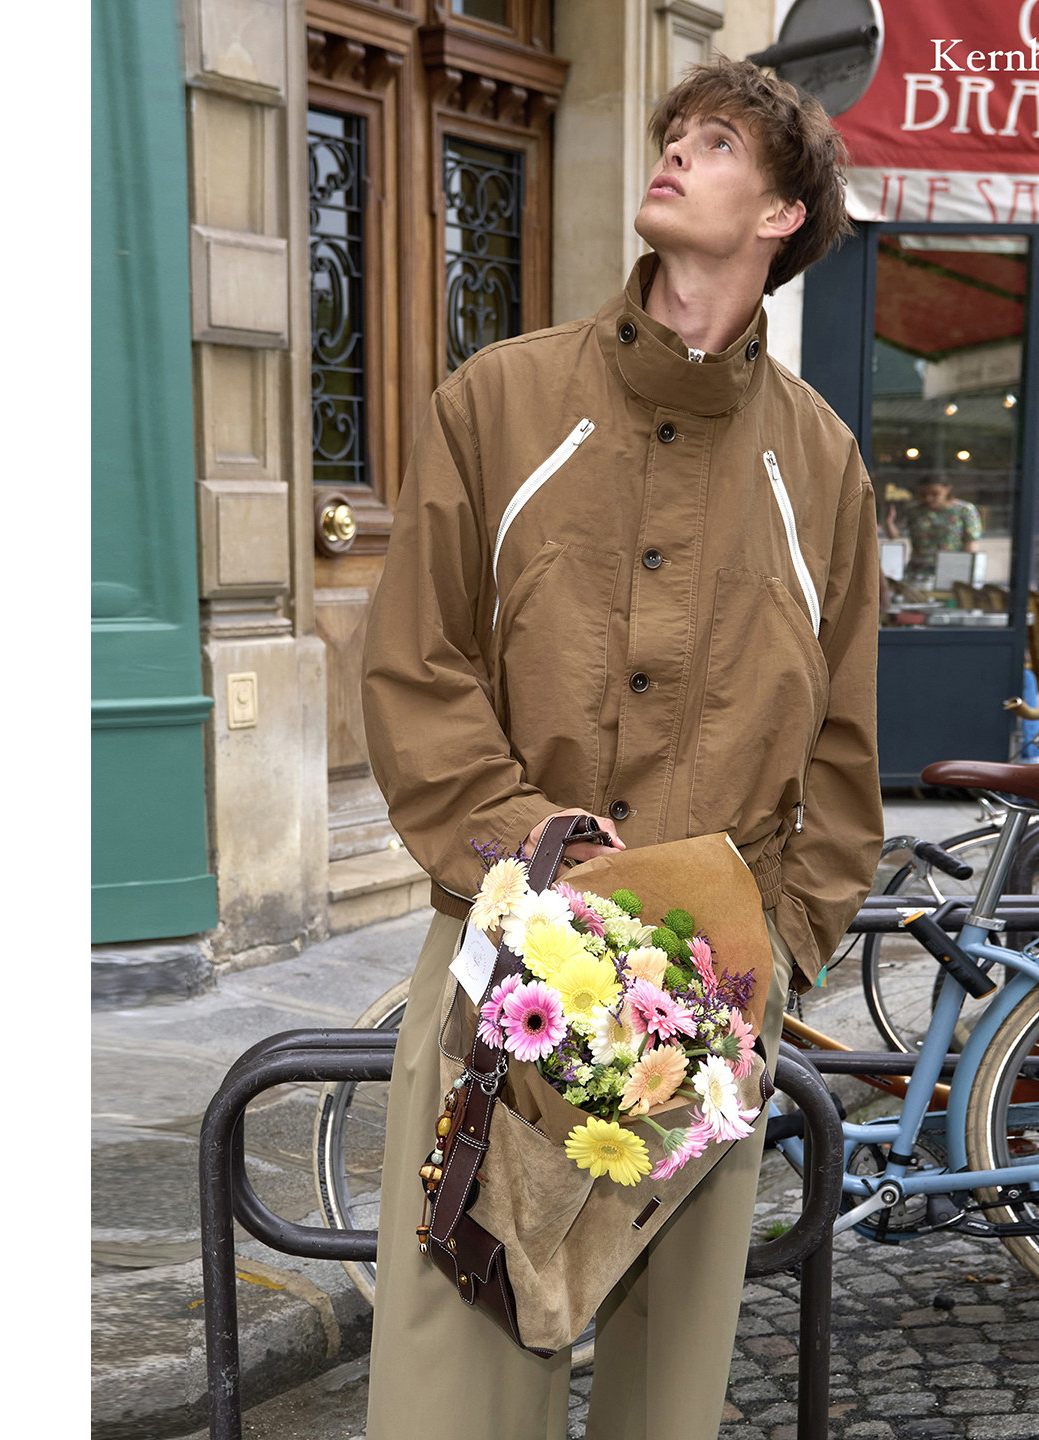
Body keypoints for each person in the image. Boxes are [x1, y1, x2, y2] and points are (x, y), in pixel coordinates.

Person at [360, 57, 883, 1440]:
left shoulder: (821, 465)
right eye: (674, 133)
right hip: (510, 954)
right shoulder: (502, 403)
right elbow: (417, 665)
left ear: (781, 214)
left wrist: (778, 947)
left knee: (666, 1395)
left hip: (713, 992)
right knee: (459, 1374)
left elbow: (845, 748)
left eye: (718, 143)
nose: (676, 153)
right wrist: (529, 863)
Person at [883, 475, 982, 587]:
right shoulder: (914, 511)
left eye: (935, 494)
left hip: (951, 570)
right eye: (923, 494)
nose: (928, 499)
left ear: (947, 489)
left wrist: (967, 573)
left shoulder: (964, 510)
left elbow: (971, 543)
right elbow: (894, 535)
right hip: (918, 572)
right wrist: (889, 522)